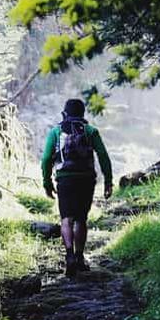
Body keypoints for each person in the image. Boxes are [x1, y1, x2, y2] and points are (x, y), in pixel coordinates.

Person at [41, 99, 113, 277]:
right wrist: (108, 181)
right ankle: (80, 257)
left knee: (66, 218)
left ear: (64, 113)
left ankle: (69, 255)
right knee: (81, 219)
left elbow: (46, 159)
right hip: (86, 179)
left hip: (64, 180)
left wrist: (47, 182)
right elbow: (103, 156)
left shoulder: (56, 131)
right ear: (82, 114)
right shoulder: (90, 131)